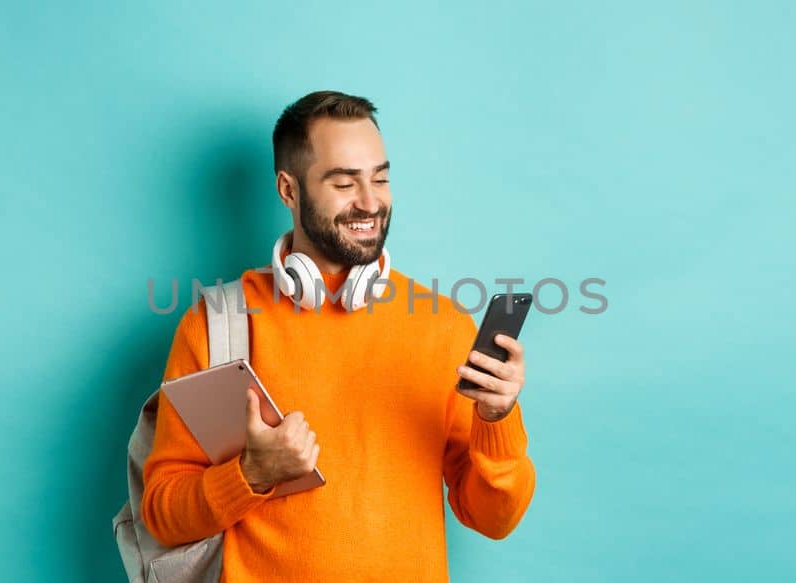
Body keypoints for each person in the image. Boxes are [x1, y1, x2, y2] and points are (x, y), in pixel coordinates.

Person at [141, 90, 535, 581]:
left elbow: (494, 519)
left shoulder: (443, 326)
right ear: (288, 189)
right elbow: (162, 514)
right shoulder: (217, 323)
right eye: (345, 183)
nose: (370, 201)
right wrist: (251, 475)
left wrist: (497, 418)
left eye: (381, 178)